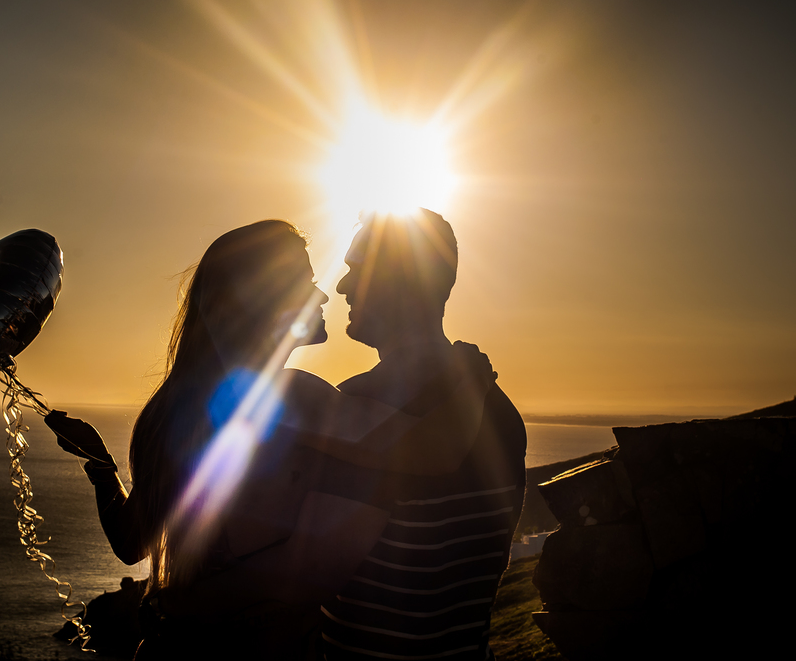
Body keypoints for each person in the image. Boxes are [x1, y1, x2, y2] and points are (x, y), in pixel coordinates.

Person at [45, 219, 495, 659]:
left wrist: (101, 466)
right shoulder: (288, 398)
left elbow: (130, 544)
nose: (322, 294)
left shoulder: (172, 408)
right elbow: (436, 451)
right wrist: (471, 379)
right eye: (303, 282)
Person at [158, 209, 526, 661]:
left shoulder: (364, 403)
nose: (342, 287)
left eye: (355, 269)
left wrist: (177, 603)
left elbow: (309, 570)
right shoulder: (498, 406)